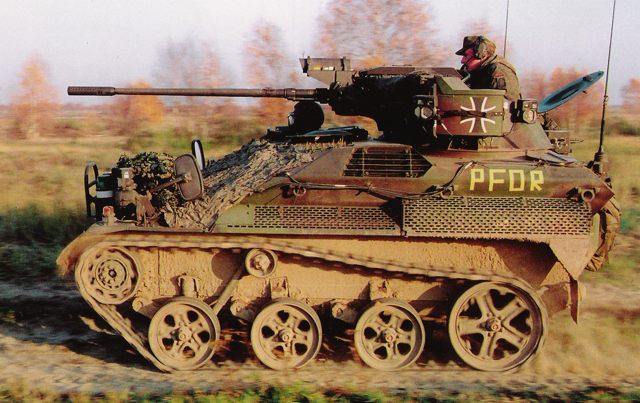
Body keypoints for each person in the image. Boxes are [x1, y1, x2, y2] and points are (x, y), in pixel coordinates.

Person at [456, 35, 521, 101]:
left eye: (466, 55)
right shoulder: (468, 70)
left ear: (481, 54)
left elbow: (505, 103)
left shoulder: (499, 71)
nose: (462, 61)